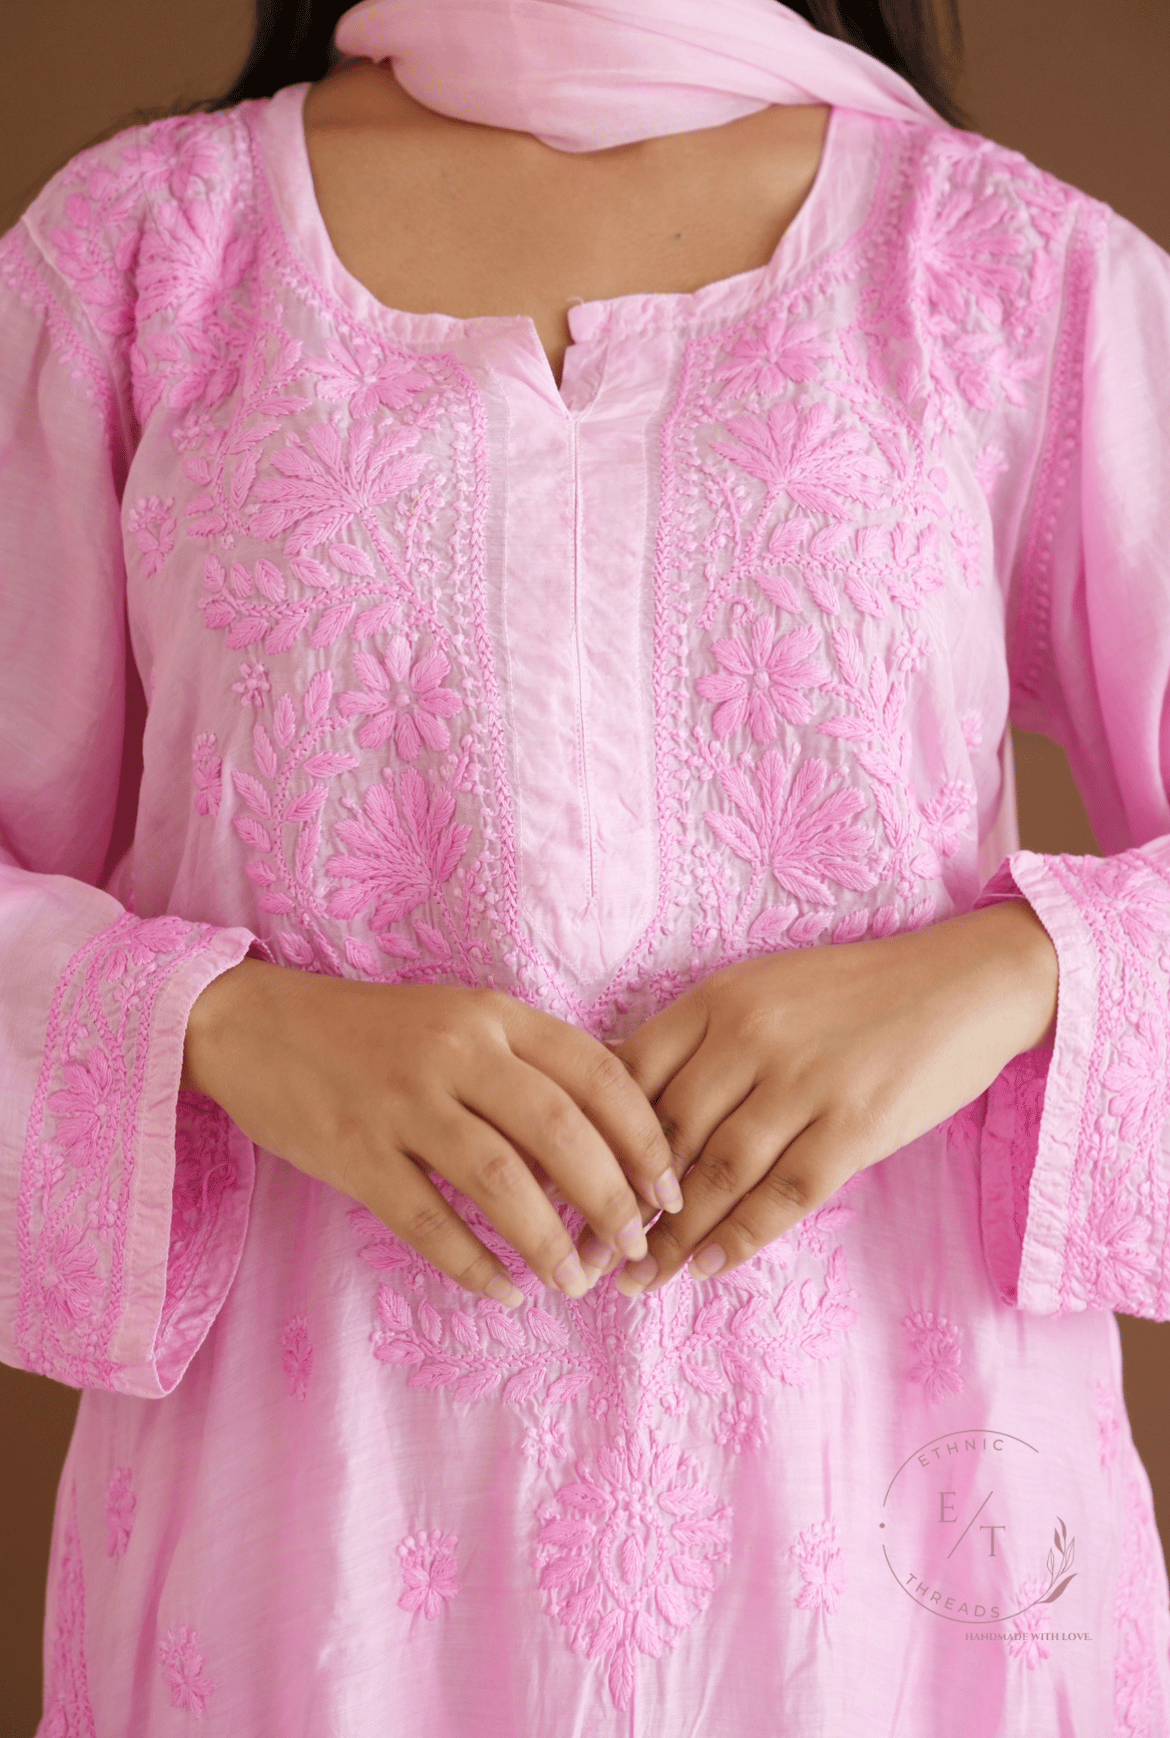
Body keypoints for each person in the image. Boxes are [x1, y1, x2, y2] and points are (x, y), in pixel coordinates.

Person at [2, 0, 1169, 1729]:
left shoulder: (989, 267)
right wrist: (232, 1025)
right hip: (316, 1555)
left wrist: (1004, 974)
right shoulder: (149, 260)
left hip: (893, 1552)